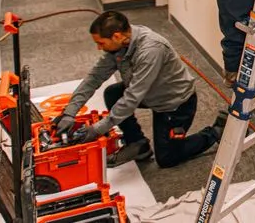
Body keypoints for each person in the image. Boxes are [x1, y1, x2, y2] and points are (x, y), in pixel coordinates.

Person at [53, 11, 224, 168]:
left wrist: (97, 129)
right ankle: (138, 144)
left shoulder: (151, 50)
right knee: (112, 93)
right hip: (149, 94)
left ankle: (216, 132)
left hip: (174, 104)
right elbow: (94, 78)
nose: (99, 47)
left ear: (117, 36)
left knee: (167, 158)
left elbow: (132, 97)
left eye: (100, 43)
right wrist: (70, 112)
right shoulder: (121, 45)